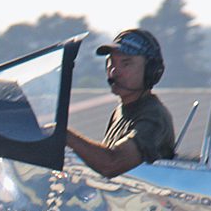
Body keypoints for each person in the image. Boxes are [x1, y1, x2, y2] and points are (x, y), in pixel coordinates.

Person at [66, 27, 174, 177]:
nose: (114, 71)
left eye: (126, 63)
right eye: (111, 62)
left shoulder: (153, 117)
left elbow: (112, 164)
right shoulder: (120, 111)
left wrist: (65, 136)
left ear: (151, 70)